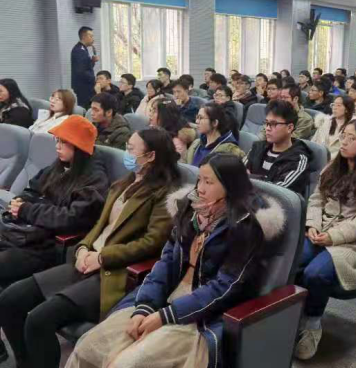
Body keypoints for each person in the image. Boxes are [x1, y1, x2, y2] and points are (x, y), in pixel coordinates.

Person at [66, 153, 286, 369]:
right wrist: (145, 307)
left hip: (201, 315)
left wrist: (166, 316)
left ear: (230, 186)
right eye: (199, 179)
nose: (200, 188)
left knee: (126, 364)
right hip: (165, 297)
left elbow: (223, 288)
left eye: (209, 182)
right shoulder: (190, 211)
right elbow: (166, 263)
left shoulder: (246, 227)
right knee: (88, 347)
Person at [0, 129, 179, 368]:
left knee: (39, 320)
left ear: (151, 156)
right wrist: (83, 247)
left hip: (112, 271)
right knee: (10, 300)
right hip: (86, 260)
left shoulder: (164, 194)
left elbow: (152, 243)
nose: (126, 154)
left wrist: (103, 257)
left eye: (131, 149)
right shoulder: (124, 183)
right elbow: (99, 225)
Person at [0, 115, 108, 363]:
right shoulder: (60, 165)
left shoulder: (94, 178)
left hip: (49, 246)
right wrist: (21, 202)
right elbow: (33, 189)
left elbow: (71, 218)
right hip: (27, 233)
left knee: (12, 300)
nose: (57, 146)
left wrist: (28, 210)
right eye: (57, 141)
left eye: (63, 142)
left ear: (79, 146)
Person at [295, 119, 356, 361]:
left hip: (353, 242)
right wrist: (313, 225)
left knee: (315, 274)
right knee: (290, 261)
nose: (344, 142)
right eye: (343, 136)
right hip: (321, 232)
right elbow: (316, 199)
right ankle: (290, 315)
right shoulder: (334, 164)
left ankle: (312, 323)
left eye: (351, 138)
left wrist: (334, 236)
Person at [245, 101, 312, 195]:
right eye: (266, 123)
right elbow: (238, 174)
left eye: (273, 124)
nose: (267, 128)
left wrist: (250, 178)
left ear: (289, 128)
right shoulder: (257, 148)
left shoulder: (298, 159)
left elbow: (277, 191)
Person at [149, 98, 196, 163]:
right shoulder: (154, 130)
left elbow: (169, 166)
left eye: (154, 111)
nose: (150, 114)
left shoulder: (176, 143)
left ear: (165, 115)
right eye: (151, 110)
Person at [71, 27, 98, 107]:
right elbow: (80, 71)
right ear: (84, 36)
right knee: (86, 109)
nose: (93, 39)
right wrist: (93, 80)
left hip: (85, 86)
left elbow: (85, 67)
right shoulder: (79, 50)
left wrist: (92, 61)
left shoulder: (83, 49)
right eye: (91, 36)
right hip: (84, 87)